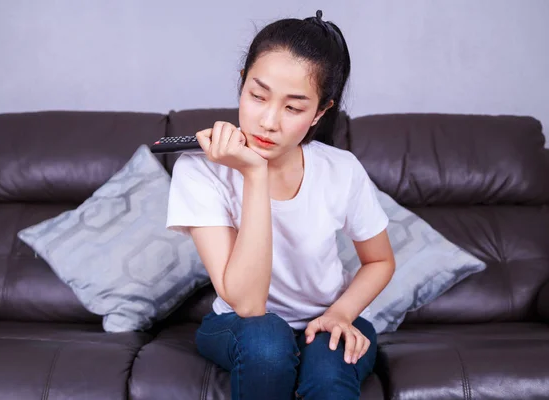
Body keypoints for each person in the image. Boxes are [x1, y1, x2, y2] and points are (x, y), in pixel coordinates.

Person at [166, 9, 396, 400]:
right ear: (242, 85)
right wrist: (254, 174)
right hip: (237, 323)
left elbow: (380, 260)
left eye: (293, 107)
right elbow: (249, 303)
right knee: (268, 342)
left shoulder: (341, 169)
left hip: (327, 318)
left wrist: (340, 314)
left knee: (328, 373)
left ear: (320, 113)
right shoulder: (199, 169)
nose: (268, 121)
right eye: (257, 96)